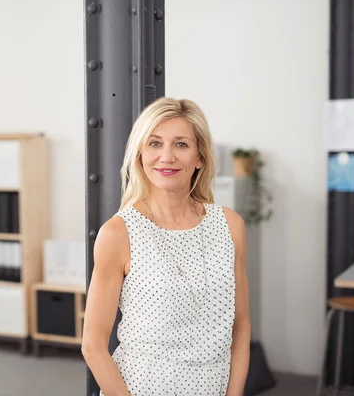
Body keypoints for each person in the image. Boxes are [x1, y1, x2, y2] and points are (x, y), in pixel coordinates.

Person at [81, 97, 251, 396]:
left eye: (181, 145)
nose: (167, 157)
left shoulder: (230, 225)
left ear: (200, 157)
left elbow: (241, 327)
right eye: (155, 143)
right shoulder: (119, 233)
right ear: (140, 154)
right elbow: (93, 346)